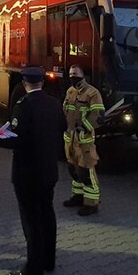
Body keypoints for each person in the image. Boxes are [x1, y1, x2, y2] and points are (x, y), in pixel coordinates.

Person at [0, 66, 66, 275]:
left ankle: (32, 273)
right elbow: (62, 128)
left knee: (31, 222)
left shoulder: (23, 106)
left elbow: (17, 139)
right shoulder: (54, 103)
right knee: (47, 215)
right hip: (49, 171)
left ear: (23, 84)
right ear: (42, 82)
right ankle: (48, 260)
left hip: (27, 174)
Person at [62, 64, 103, 216]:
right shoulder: (70, 91)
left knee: (86, 172)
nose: (72, 76)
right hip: (70, 139)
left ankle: (92, 204)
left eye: (75, 74)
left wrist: (83, 128)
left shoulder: (93, 93)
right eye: (71, 73)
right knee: (73, 170)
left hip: (84, 140)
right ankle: (77, 197)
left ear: (82, 75)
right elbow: (66, 110)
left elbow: (98, 116)